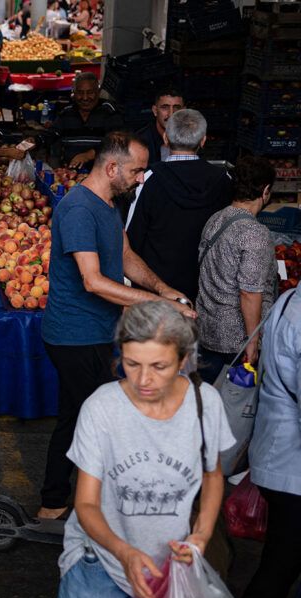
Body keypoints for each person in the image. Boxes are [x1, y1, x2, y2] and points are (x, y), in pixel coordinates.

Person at [39, 132, 195, 520]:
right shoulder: (78, 209)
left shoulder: (107, 203)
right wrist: (161, 305)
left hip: (95, 332)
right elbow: (92, 281)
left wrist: (163, 288)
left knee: (75, 418)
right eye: (137, 170)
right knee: (100, 422)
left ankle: (53, 502)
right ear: (111, 168)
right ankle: (89, 506)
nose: (141, 178)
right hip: (74, 337)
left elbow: (124, 255)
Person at [53, 301, 232, 598]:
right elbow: (87, 503)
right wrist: (125, 553)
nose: (144, 379)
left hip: (170, 567)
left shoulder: (204, 403)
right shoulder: (102, 408)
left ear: (183, 360)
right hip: (100, 562)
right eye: (132, 364)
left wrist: (202, 535)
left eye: (159, 366)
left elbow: (212, 476)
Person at [241, 284, 301, 598]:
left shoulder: (289, 298)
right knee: (277, 571)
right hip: (291, 468)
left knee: (279, 568)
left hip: (277, 455)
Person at [126, 109, 233, 304]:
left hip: (158, 293)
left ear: (165, 138)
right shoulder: (223, 180)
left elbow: (132, 239)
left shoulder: (148, 180)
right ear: (203, 141)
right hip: (208, 293)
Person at [195, 156, 277, 384]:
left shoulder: (215, 219)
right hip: (235, 342)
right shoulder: (254, 232)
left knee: (207, 402)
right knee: (235, 408)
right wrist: (253, 340)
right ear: (266, 190)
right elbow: (249, 292)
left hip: (206, 329)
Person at [53, 72, 125, 167]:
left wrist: (89, 154)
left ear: (98, 92)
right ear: (74, 94)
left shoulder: (108, 110)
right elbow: (52, 134)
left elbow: (118, 141)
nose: (85, 98)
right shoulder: (66, 113)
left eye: (90, 92)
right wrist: (35, 140)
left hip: (102, 174)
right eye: (80, 93)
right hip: (70, 174)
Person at [136, 87, 186, 168]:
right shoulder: (140, 141)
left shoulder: (192, 138)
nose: (171, 114)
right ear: (155, 111)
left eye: (176, 108)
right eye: (165, 107)